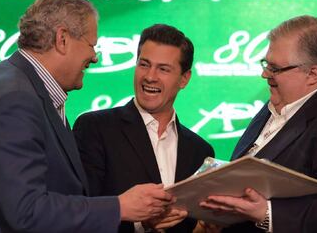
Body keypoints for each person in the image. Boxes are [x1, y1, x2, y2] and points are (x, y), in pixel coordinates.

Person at [0, 0, 174, 232]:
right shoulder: (16, 99)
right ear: (63, 39)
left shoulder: (23, 86)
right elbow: (26, 211)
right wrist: (119, 207)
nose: (94, 57)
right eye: (91, 45)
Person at [199, 15, 317, 232]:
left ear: (313, 74)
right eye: (266, 64)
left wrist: (266, 213)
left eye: (275, 68)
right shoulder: (286, 98)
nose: (264, 73)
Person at [73, 24, 215, 232]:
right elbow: (80, 213)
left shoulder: (200, 152)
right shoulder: (95, 128)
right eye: (144, 64)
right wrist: (141, 224)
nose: (150, 76)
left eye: (163, 69)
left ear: (184, 79)